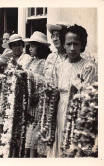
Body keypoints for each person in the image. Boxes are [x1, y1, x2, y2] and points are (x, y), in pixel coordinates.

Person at [48, 24, 97, 158]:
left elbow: (88, 94)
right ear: (63, 45)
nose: (72, 48)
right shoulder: (59, 66)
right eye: (68, 44)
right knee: (60, 143)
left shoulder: (88, 66)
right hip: (60, 109)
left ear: (83, 45)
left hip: (79, 111)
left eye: (76, 44)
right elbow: (56, 90)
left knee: (78, 146)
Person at [0, 34, 32, 151]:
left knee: (17, 119)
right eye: (14, 46)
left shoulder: (27, 58)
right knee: (3, 116)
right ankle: (4, 142)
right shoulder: (9, 57)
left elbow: (26, 74)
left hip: (20, 92)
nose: (17, 48)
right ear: (10, 47)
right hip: (7, 90)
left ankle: (15, 144)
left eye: (19, 45)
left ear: (22, 46)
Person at [23, 31, 51, 157]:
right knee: (28, 133)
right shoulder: (31, 61)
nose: (29, 49)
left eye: (32, 46)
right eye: (29, 46)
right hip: (29, 102)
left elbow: (44, 82)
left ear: (40, 47)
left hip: (38, 102)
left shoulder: (44, 62)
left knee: (34, 134)